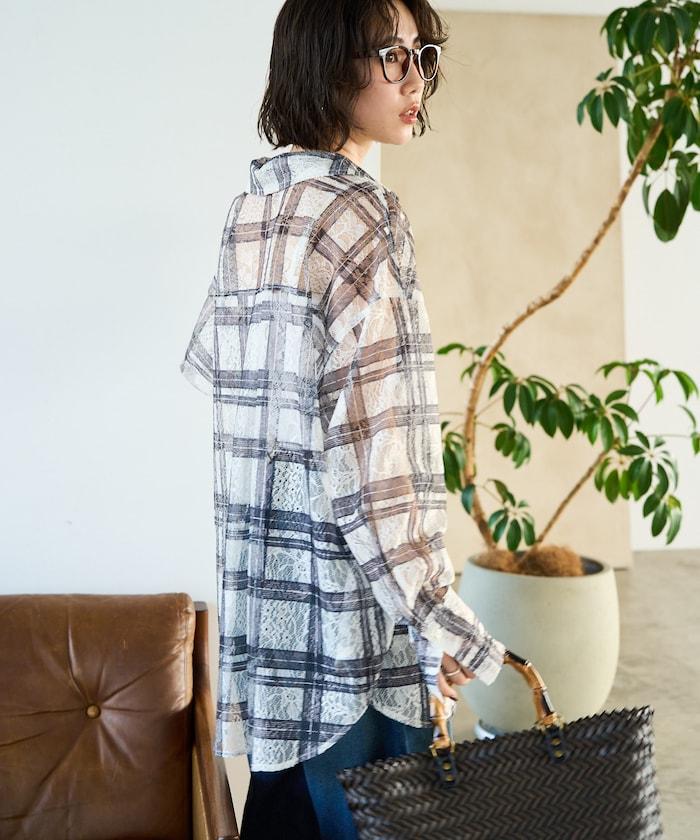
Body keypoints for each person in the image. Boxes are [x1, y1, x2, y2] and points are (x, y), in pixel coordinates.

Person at [180, 1, 507, 837]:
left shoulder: (250, 214)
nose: (416, 79)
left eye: (423, 55)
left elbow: (221, 375)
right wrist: (438, 616)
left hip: (272, 619)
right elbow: (374, 463)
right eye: (393, 55)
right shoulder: (365, 217)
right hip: (353, 631)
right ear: (329, 63)